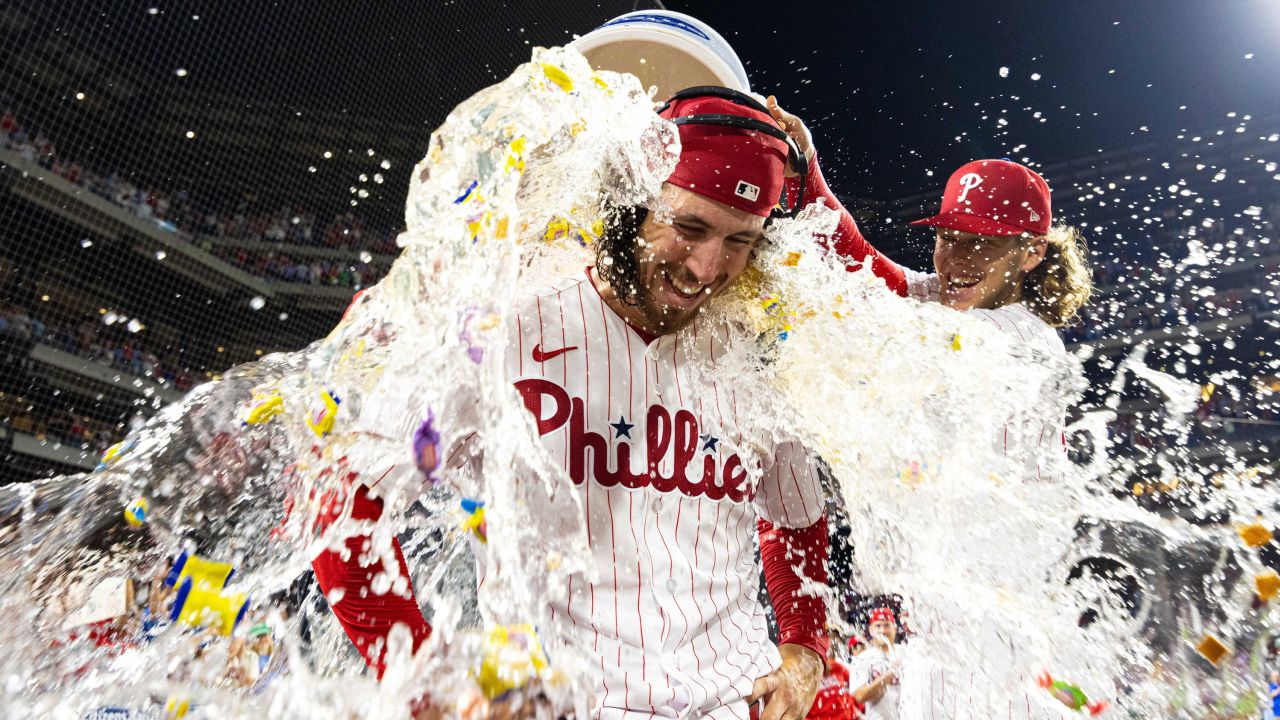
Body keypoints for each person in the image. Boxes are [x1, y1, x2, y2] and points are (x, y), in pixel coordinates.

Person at [309, 88, 912, 720]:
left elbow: (796, 518)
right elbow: (345, 499)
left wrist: (804, 650)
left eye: (741, 240)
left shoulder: (753, 352)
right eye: (689, 226)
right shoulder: (501, 324)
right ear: (631, 202)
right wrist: (426, 681)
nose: (708, 267)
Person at [768, 99, 1092, 480]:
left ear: (1032, 252)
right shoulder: (937, 296)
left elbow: (914, 339)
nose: (956, 259)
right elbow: (855, 256)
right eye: (947, 237)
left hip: (1009, 537)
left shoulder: (1030, 338)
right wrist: (804, 165)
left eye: (982, 242)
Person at [847, 608, 901, 720]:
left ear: (894, 629)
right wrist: (888, 676)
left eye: (887, 625)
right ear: (871, 630)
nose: (882, 630)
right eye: (878, 626)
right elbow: (858, 696)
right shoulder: (862, 659)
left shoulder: (907, 653)